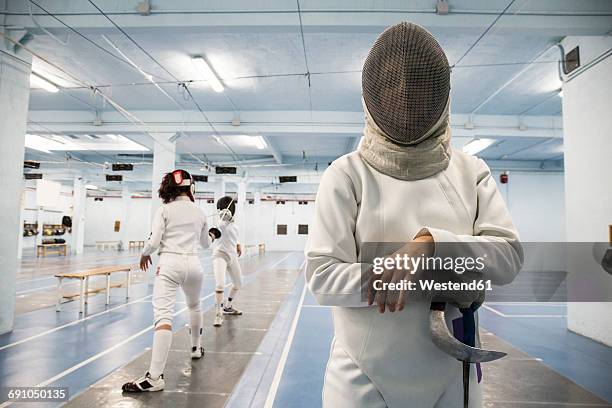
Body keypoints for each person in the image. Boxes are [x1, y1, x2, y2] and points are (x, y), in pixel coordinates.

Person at [305, 22, 523, 407]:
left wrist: (429, 246)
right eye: (390, 83)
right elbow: (322, 278)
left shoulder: (471, 171)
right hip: (361, 377)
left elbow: (507, 258)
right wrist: (447, 278)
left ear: (442, 93)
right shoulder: (346, 173)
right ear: (370, 93)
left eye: (419, 84)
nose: (405, 94)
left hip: (454, 373)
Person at [122, 169, 220, 393]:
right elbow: (206, 244)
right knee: (195, 306)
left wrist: (145, 252)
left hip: (169, 264)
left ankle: (155, 378)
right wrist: (214, 234)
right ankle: (196, 347)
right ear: (190, 187)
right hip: (194, 266)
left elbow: (154, 241)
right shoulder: (199, 212)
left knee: (163, 317)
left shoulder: (164, 210)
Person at [211, 195, 244, 327]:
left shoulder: (233, 224)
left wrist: (238, 244)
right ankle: (218, 314)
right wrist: (223, 216)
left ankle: (228, 306)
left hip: (232, 256)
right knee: (220, 285)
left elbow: (234, 235)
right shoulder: (221, 223)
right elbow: (219, 228)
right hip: (220, 256)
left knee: (238, 283)